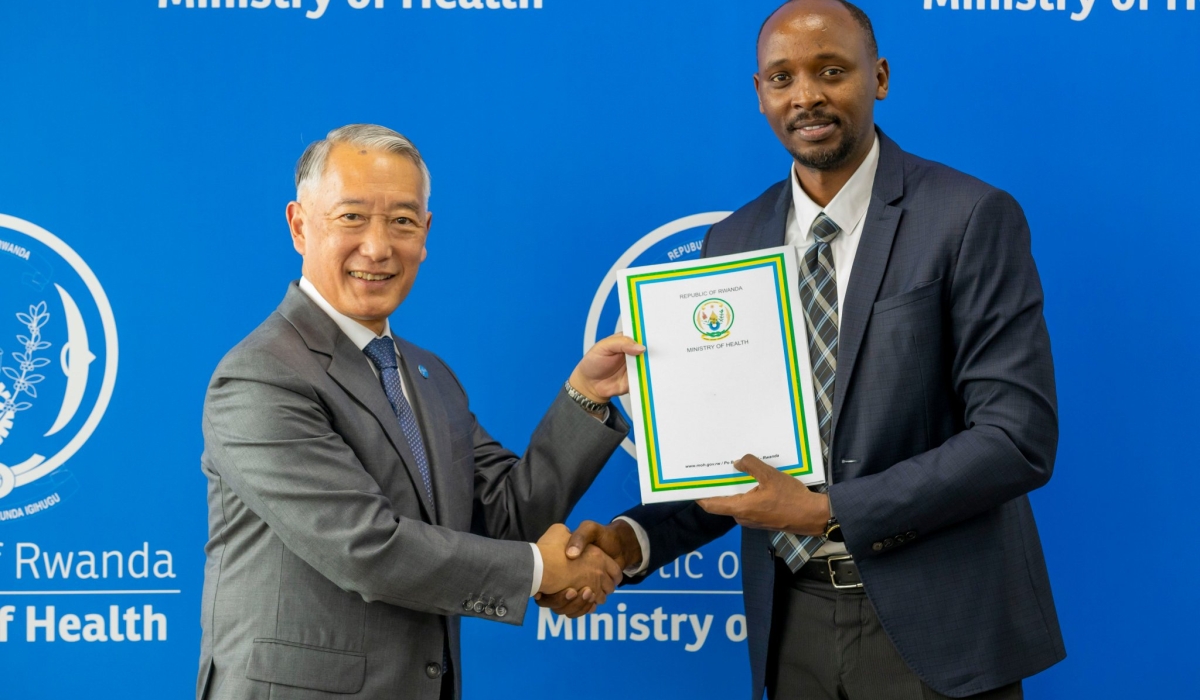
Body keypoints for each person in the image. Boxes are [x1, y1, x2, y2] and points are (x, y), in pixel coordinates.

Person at [538, 2, 1065, 698]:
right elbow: (739, 467)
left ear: (877, 77)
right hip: (792, 629)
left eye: (831, 71)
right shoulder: (731, 241)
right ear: (760, 95)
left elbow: (1016, 439)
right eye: (782, 77)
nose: (806, 95)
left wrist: (827, 510)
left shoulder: (968, 218)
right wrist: (631, 543)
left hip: (939, 630)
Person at [196, 124, 642, 700]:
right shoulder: (260, 375)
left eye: (402, 221)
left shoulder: (427, 374)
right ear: (300, 226)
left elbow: (506, 518)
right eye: (352, 217)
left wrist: (586, 396)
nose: (378, 247)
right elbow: (366, 547)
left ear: (425, 233)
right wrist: (541, 571)